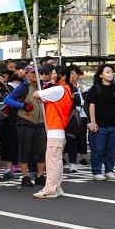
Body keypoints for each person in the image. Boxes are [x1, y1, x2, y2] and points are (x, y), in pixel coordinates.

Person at [30, 67, 74, 199]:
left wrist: (42, 94)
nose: (52, 75)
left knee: (52, 162)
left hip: (55, 129)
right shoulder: (66, 90)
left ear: (63, 76)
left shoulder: (59, 89)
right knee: (56, 162)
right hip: (58, 130)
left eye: (55, 73)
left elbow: (36, 95)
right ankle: (56, 187)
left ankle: (50, 189)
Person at [86, 64, 115, 181]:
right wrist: (92, 122)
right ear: (101, 75)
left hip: (114, 124)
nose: (110, 74)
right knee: (98, 149)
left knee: (111, 149)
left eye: (111, 72)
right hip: (100, 124)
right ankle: (96, 171)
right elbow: (91, 105)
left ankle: (109, 170)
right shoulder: (95, 88)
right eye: (107, 72)